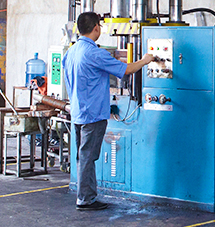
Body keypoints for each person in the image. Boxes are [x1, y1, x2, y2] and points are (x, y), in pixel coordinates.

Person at [62, 12, 154, 211]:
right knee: (88, 157)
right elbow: (127, 69)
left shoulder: (71, 51)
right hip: (93, 114)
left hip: (77, 111)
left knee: (82, 156)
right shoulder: (95, 53)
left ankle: (86, 195)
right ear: (96, 27)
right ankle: (85, 199)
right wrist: (146, 60)